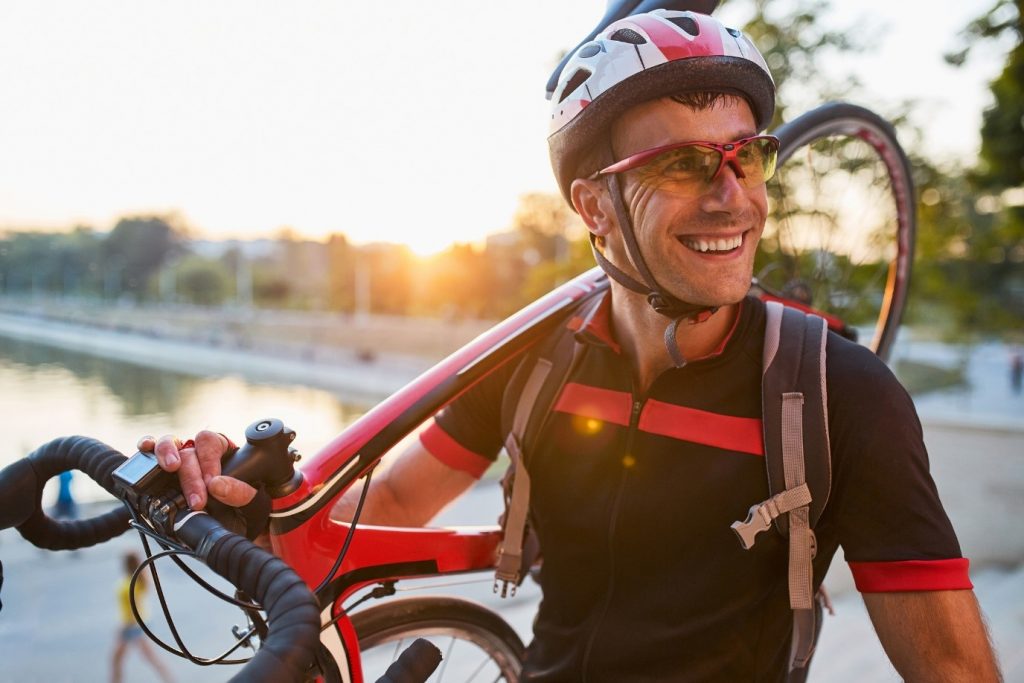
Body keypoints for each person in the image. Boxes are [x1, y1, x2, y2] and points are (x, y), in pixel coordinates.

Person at [146, 10, 1001, 681]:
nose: (733, 198)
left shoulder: (837, 395)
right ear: (593, 207)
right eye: (684, 164)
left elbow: (954, 669)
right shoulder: (534, 357)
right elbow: (395, 504)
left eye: (748, 157)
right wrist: (248, 499)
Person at [110, 551, 175, 683]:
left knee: (118, 660)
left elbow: (133, 608)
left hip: (130, 625)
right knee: (144, 658)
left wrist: (124, 627)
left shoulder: (130, 583)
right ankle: (169, 679)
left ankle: (170, 679)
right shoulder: (137, 580)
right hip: (138, 623)